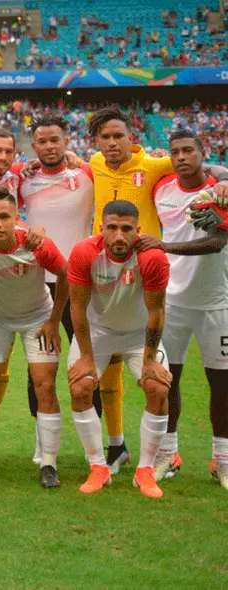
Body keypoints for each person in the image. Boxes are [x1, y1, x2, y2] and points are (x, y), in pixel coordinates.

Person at [0, 188, 70, 488]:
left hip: (37, 319)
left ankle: (48, 463)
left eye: (4, 216)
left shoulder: (35, 244)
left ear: (16, 218)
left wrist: (54, 321)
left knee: (45, 385)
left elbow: (66, 274)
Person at [138, 130, 228, 488]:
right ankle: (167, 453)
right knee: (165, 380)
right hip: (170, 301)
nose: (181, 156)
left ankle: (222, 459)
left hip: (216, 303)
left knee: (221, 385)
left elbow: (217, 242)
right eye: (175, 151)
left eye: (189, 150)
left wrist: (164, 246)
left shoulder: (220, 191)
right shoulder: (161, 189)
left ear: (203, 153)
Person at [67, 200, 172, 498]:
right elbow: (77, 305)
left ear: (138, 231)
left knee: (158, 388)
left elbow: (157, 311)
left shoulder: (152, 257)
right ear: (100, 228)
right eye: (112, 228)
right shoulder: (84, 252)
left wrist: (150, 360)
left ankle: (145, 470)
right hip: (98, 332)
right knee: (79, 388)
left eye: (127, 229)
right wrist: (86, 357)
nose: (119, 236)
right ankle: (98, 467)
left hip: (139, 333)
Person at [20, 114, 97, 464]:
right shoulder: (23, 179)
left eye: (56, 140)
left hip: (82, 283)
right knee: (39, 368)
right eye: (43, 142)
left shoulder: (86, 174)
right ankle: (42, 441)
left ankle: (95, 448)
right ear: (35, 146)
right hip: (39, 285)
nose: (50, 146)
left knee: (87, 362)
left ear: (66, 141)